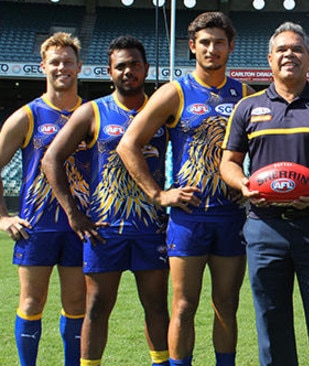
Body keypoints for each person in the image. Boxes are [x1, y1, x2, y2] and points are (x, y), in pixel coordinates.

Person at [220, 22, 309, 366]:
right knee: (272, 324)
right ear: (270, 59)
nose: (289, 55)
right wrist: (244, 185)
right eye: (282, 49)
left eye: (297, 49)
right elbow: (229, 162)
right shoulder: (247, 107)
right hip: (264, 228)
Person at [116, 12, 254, 366]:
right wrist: (158, 194)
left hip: (230, 216)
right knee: (183, 305)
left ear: (230, 47)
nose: (212, 49)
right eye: (204, 42)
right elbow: (128, 144)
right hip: (189, 218)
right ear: (192, 46)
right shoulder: (175, 92)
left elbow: (263, 148)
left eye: (219, 42)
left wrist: (247, 181)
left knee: (227, 305)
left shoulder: (245, 94)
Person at [42, 35, 170, 366]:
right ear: (110, 71)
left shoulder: (162, 108)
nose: (129, 71)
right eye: (121, 66)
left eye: (135, 65)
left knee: (156, 306)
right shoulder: (92, 111)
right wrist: (74, 213)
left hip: (151, 228)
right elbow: (51, 158)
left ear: (146, 69)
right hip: (104, 229)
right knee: (97, 307)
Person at [0, 32, 88, 366]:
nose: (62, 67)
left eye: (68, 61)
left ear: (79, 67)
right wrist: (3, 217)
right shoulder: (28, 116)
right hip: (36, 228)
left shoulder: (92, 113)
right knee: (32, 301)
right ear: (43, 67)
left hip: (80, 225)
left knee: (77, 304)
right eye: (55, 62)